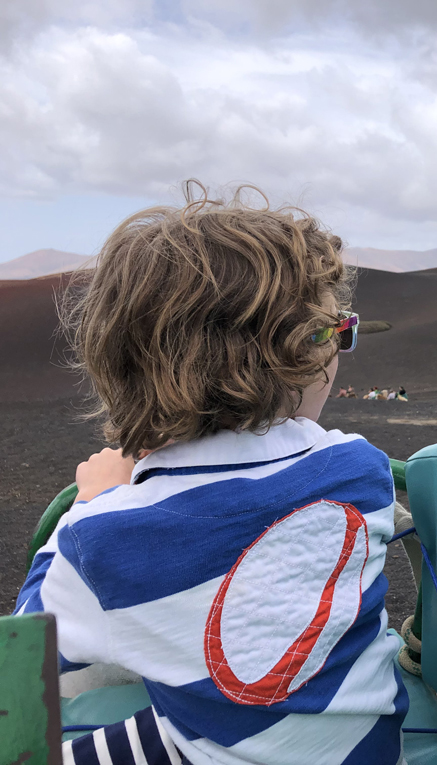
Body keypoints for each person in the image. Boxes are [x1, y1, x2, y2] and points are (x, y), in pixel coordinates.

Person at [15, 184, 407, 764]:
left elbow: (27, 654)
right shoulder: (358, 468)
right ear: (304, 354)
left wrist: (91, 503)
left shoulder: (98, 540)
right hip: (366, 752)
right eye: (336, 332)